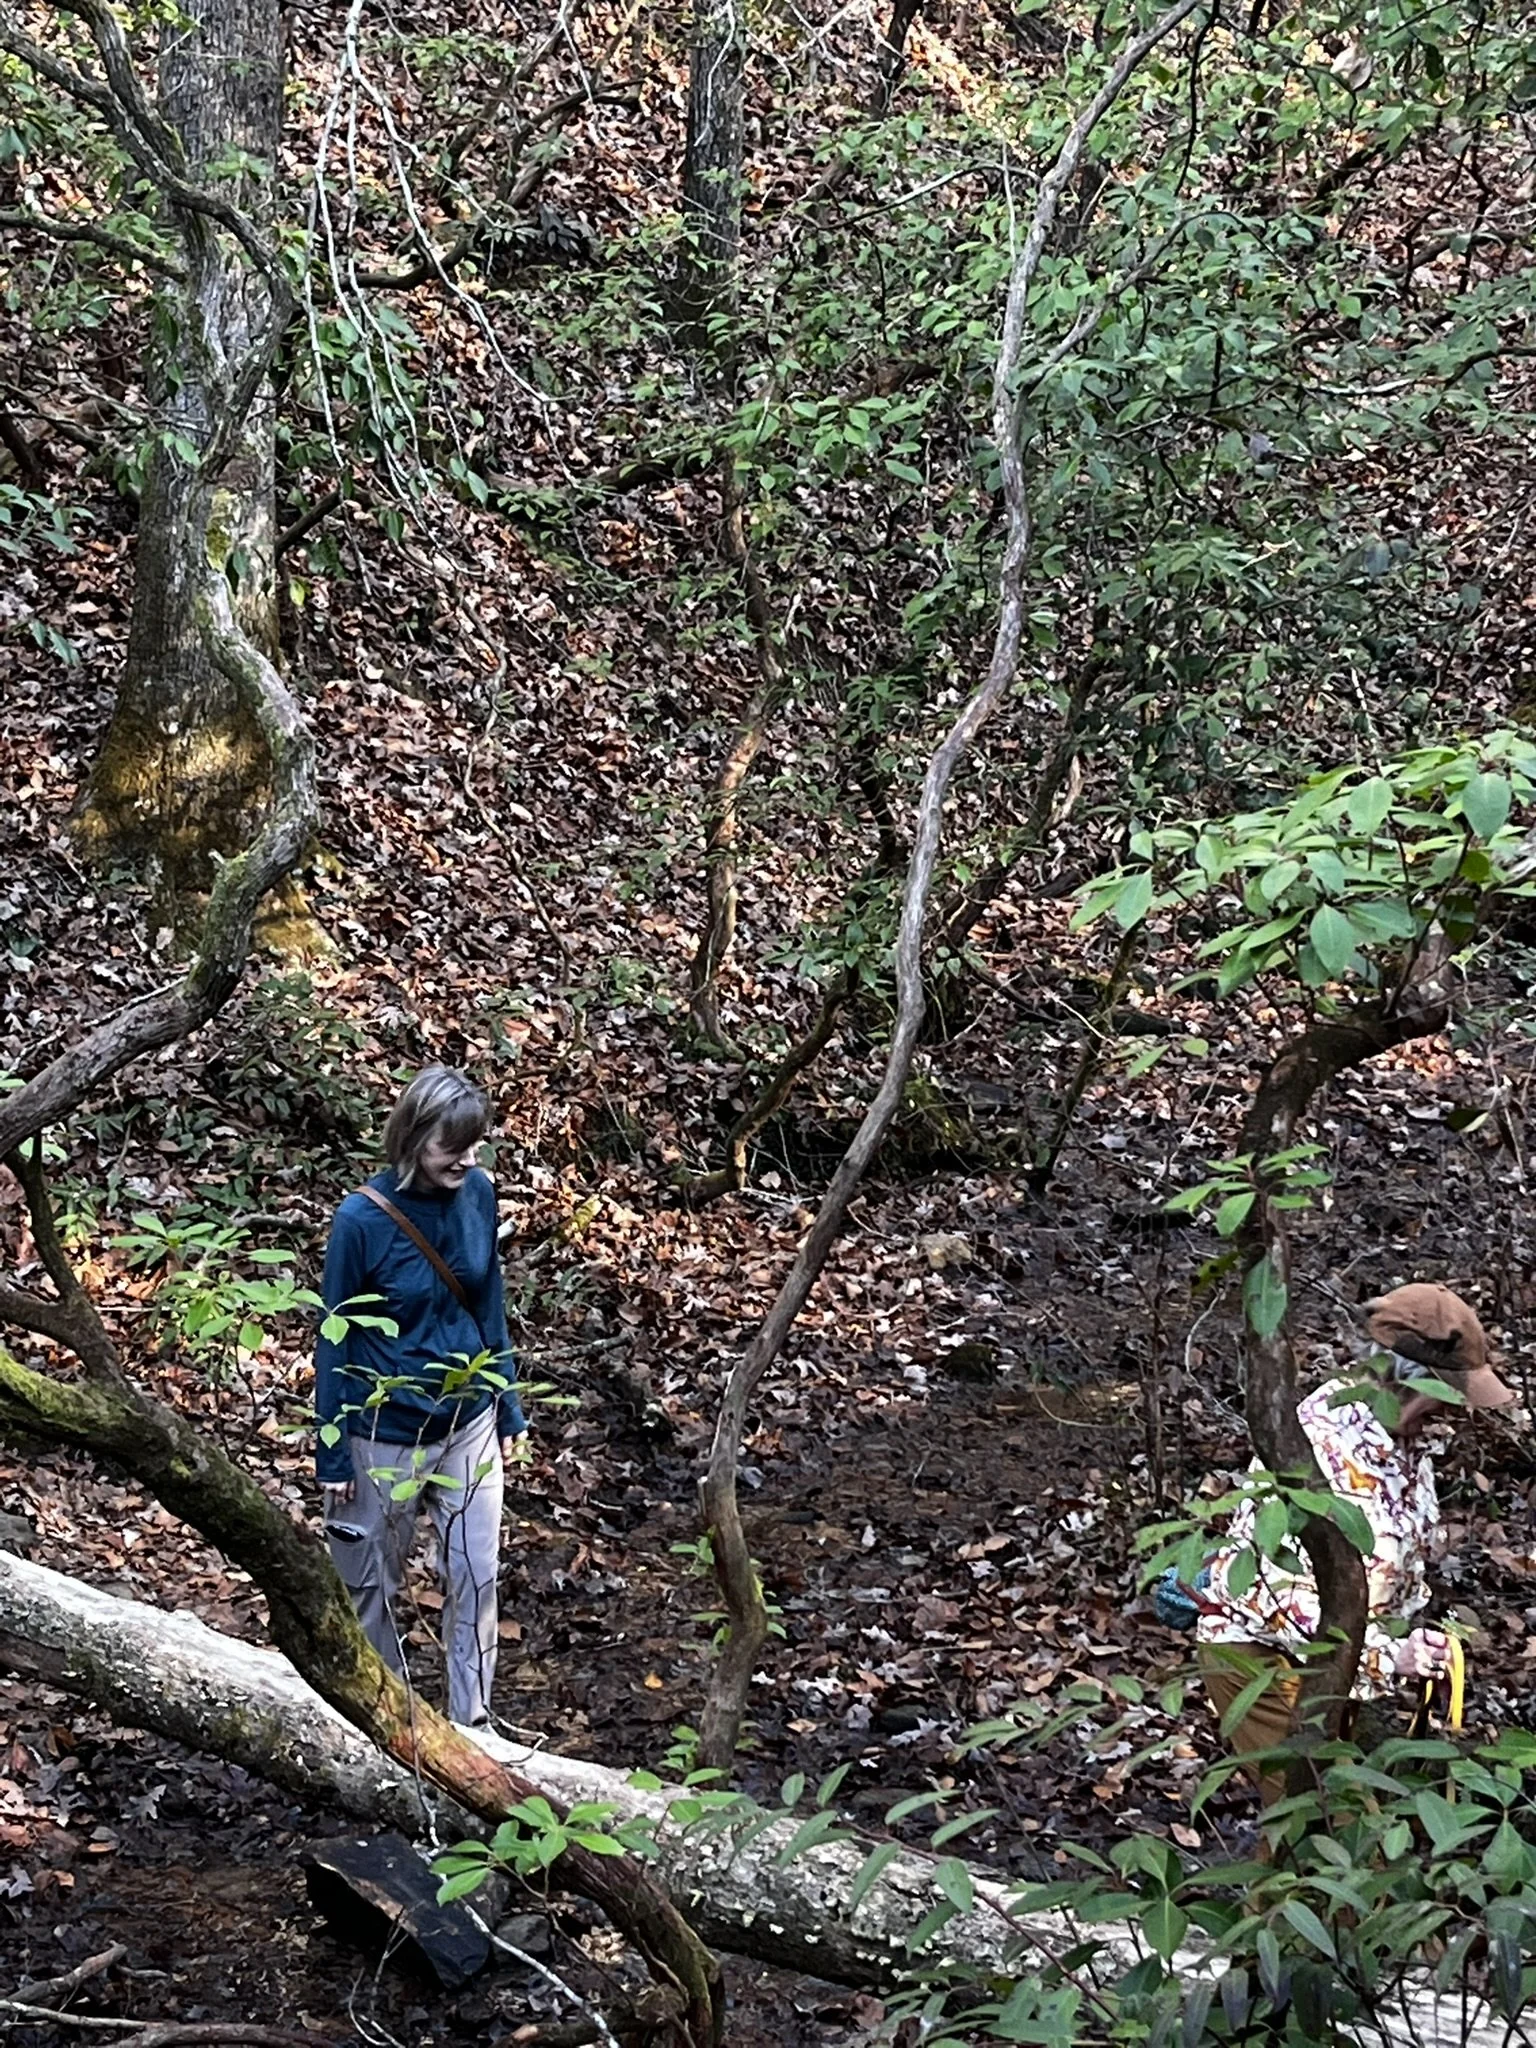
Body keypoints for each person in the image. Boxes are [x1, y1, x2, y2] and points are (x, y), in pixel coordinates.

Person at [1194, 1283, 1515, 1804]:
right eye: (1445, 1395)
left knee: (1313, 1827)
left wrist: (1416, 1644)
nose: (1454, 1412)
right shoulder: (1318, 1446)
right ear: (1399, 1379)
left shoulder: (1404, 1445)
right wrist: (1389, 1657)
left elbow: (1397, 1563)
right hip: (1261, 1658)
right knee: (1330, 1822)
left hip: (1338, 1668)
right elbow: (1280, 1596)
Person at [315, 1065, 527, 1728]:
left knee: (476, 1573)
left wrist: (508, 1404)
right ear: (412, 1139)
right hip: (384, 1432)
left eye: (475, 1145)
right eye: (451, 1147)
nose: (467, 1160)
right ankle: (386, 1724)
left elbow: (488, 1304)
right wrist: (333, 1452)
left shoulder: (478, 1194)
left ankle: (474, 1726)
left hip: (468, 1419)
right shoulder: (360, 1221)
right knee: (369, 1587)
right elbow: (334, 1337)